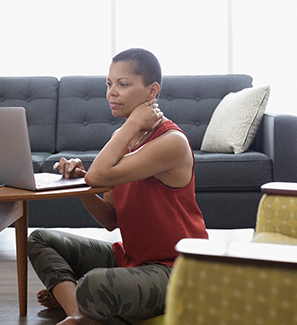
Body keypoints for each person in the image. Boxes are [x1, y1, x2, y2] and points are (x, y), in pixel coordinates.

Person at [28, 48, 208, 325]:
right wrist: (78, 180)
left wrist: (134, 122)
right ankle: (79, 314)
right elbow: (110, 219)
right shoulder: (121, 138)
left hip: (177, 270)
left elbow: (99, 176)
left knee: (92, 284)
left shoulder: (172, 142)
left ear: (152, 91)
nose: (111, 92)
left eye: (122, 84)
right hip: (131, 259)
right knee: (39, 239)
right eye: (109, 84)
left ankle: (84, 303)